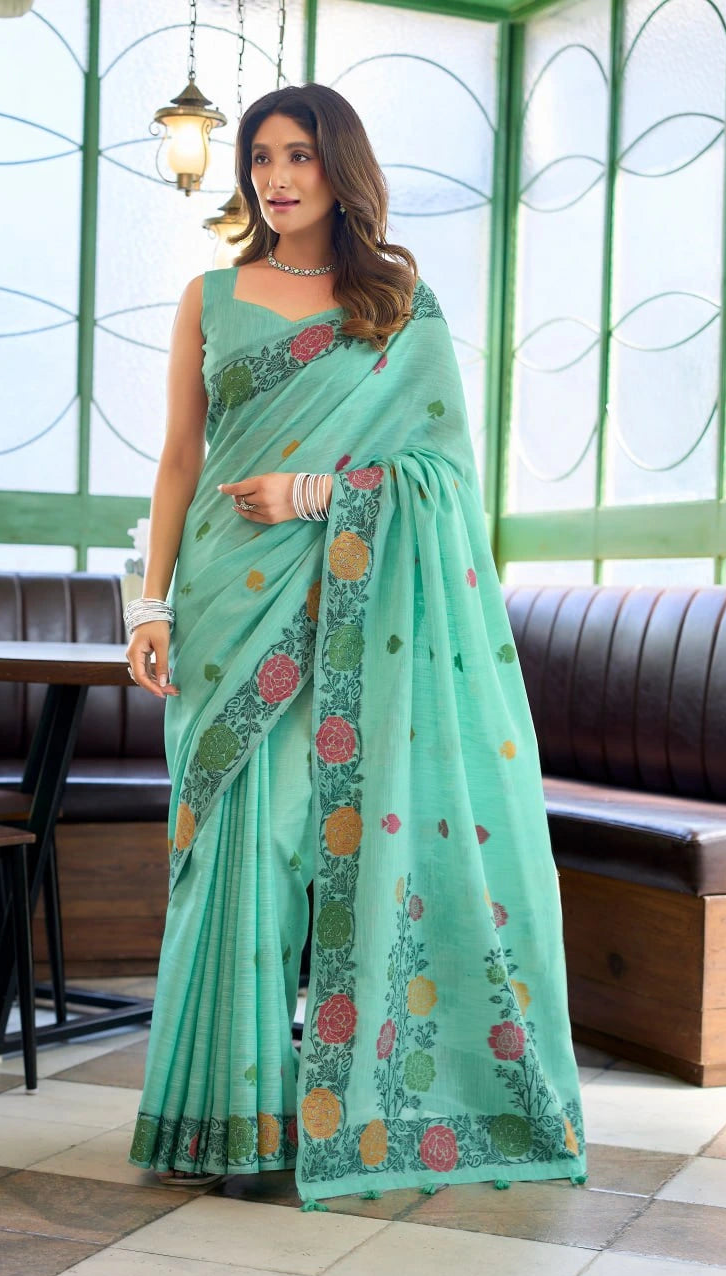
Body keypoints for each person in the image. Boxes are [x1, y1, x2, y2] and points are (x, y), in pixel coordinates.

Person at [125, 82, 587, 1206]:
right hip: (226, 612)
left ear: (340, 166)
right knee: (229, 847)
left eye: (299, 156)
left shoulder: (397, 301)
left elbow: (440, 479)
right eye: (261, 158)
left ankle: (352, 1105)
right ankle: (218, 1118)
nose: (277, 179)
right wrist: (150, 604)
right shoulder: (210, 295)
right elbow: (181, 458)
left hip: (346, 610)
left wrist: (323, 488)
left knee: (297, 840)